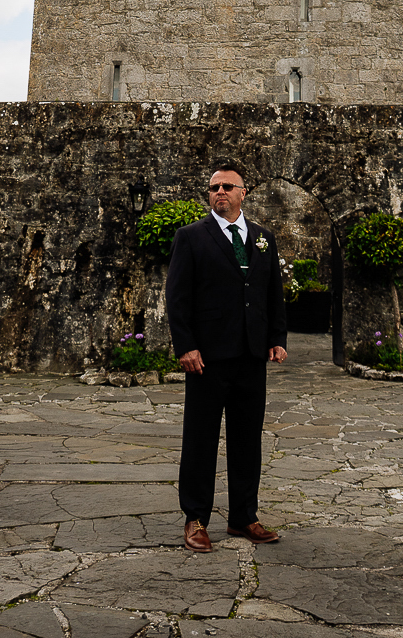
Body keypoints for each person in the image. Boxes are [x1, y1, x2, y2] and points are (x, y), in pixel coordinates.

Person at [164, 160, 287, 551]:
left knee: (247, 438)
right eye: (214, 186)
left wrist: (276, 337)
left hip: (251, 355)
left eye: (227, 186)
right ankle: (195, 518)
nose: (219, 192)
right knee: (200, 438)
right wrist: (185, 346)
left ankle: (243, 517)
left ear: (242, 192)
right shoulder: (191, 237)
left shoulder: (263, 237)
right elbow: (177, 297)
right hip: (207, 357)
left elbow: (272, 292)